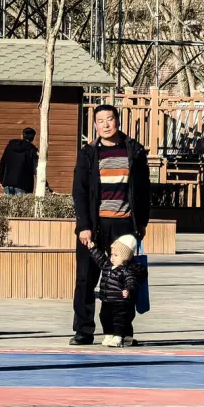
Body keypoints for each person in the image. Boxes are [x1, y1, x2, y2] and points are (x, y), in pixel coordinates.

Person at [70, 104, 151, 346]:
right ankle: (83, 330)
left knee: (123, 281)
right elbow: (79, 191)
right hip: (94, 226)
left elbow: (144, 190)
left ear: (118, 121)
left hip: (124, 225)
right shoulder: (88, 153)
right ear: (95, 125)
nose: (106, 125)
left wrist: (141, 223)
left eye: (110, 119)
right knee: (85, 280)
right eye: (101, 121)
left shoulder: (134, 150)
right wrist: (84, 225)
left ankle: (120, 331)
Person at [86, 233, 144, 347]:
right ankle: (109, 334)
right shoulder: (107, 264)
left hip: (119, 301)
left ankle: (118, 336)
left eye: (116, 255)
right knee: (104, 317)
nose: (112, 257)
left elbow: (131, 281)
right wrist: (93, 249)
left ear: (125, 257)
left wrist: (128, 289)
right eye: (111, 254)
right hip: (106, 300)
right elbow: (100, 258)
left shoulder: (126, 270)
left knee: (119, 320)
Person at [0, 127, 39, 195]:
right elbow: (36, 169)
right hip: (23, 184)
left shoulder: (10, 146)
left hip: (7, 182)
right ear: (33, 138)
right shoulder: (32, 150)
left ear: (22, 135)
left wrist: (1, 181)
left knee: (7, 202)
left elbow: (2, 164)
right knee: (20, 202)